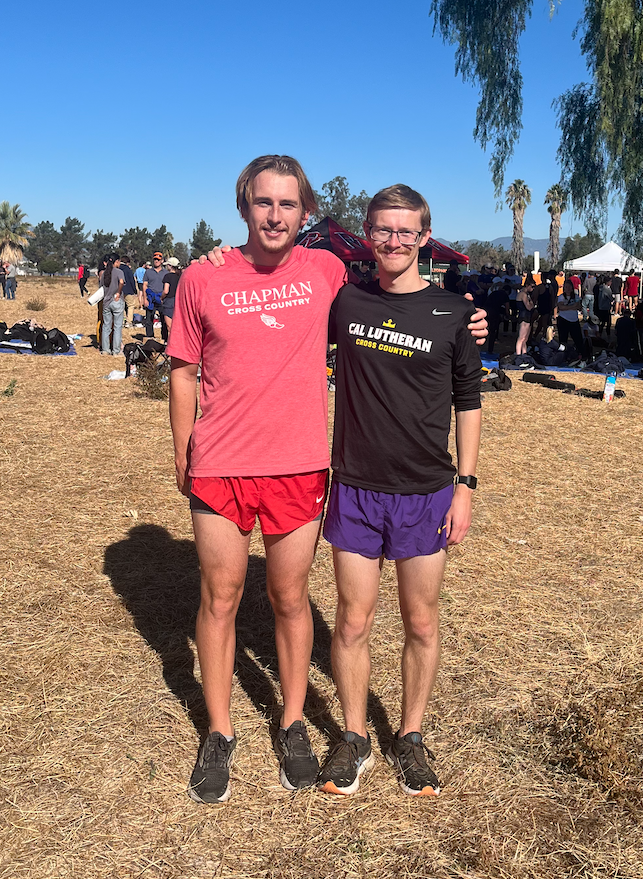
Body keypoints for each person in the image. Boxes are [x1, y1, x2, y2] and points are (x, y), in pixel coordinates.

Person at [167, 154, 489, 804]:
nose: (276, 214)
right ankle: (245, 732)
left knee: (342, 609)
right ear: (245, 206)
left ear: (305, 213)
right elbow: (183, 366)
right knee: (254, 603)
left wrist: (468, 322)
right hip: (269, 474)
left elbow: (447, 361)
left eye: (289, 204)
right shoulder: (240, 279)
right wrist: (183, 452)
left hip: (342, 474)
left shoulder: (357, 282)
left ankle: (343, 729)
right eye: (264, 202)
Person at [316, 184, 482, 798]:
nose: (393, 241)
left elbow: (469, 400)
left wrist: (464, 485)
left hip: (426, 491)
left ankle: (409, 737)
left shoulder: (454, 313)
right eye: (382, 230)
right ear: (367, 233)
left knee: (420, 620)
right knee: (353, 619)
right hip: (355, 487)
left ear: (423, 238)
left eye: (405, 232)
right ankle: (354, 737)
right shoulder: (345, 302)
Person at [99, 253, 125, 355]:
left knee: (106, 327)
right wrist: (118, 292)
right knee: (117, 327)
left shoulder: (104, 273)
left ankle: (105, 350)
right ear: (116, 261)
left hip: (106, 302)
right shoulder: (119, 272)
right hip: (116, 301)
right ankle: (116, 351)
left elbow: (101, 287)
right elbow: (122, 282)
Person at [556, 280, 583, 358]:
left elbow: (579, 307)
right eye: (566, 287)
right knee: (563, 340)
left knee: (578, 339)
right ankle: (562, 356)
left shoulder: (576, 297)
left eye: (569, 287)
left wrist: (568, 307)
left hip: (574, 320)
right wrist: (572, 307)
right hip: (563, 320)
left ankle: (579, 354)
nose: (567, 289)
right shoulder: (561, 297)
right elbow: (561, 307)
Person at [142, 253, 166, 337]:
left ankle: (164, 338)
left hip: (161, 299)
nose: (156, 261)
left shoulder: (165, 273)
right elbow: (144, 285)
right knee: (149, 320)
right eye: (155, 259)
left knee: (164, 320)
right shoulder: (148, 272)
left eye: (158, 260)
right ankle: (150, 338)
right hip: (150, 299)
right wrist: (144, 299)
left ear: (162, 261)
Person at [160, 256, 181, 341]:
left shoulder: (167, 276)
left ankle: (174, 343)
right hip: (179, 301)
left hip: (169, 302)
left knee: (170, 326)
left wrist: (161, 298)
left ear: (170, 266)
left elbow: (166, 291)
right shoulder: (180, 276)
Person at [515, 276, 536, 357]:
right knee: (521, 338)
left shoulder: (527, 295)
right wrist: (531, 303)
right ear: (527, 285)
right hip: (523, 317)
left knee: (525, 339)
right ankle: (518, 355)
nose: (533, 289)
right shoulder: (523, 294)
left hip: (527, 316)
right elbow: (529, 307)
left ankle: (524, 354)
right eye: (532, 286)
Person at [119, 255, 138, 328]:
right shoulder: (127, 269)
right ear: (127, 262)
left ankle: (121, 321)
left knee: (121, 306)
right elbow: (131, 280)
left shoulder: (117, 268)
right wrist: (135, 290)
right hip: (128, 290)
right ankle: (129, 322)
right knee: (130, 305)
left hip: (119, 290)